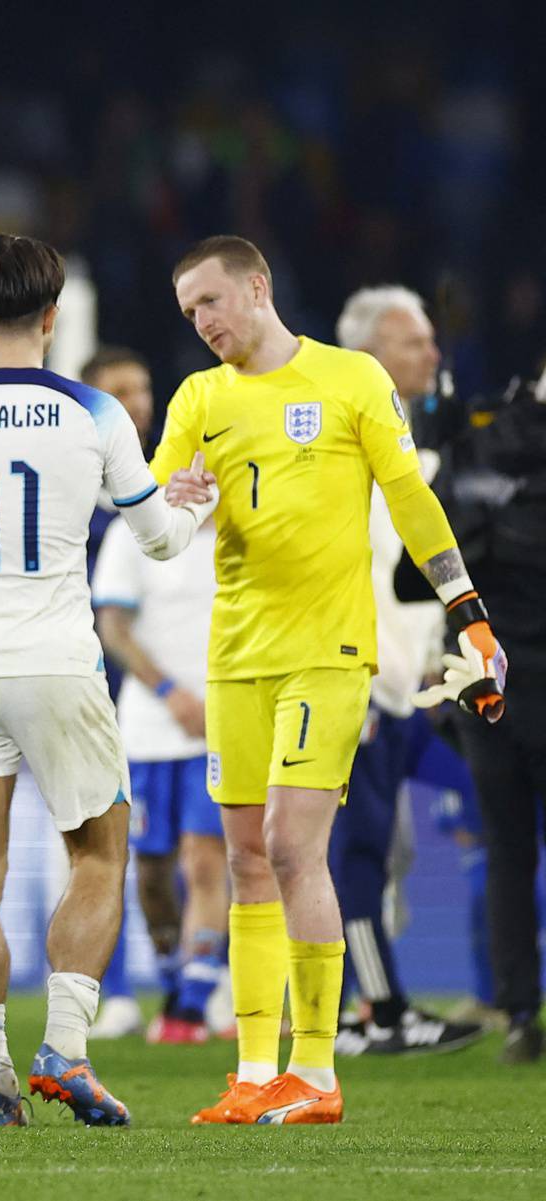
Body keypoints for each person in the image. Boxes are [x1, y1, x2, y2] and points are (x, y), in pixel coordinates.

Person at [155, 236, 506, 1123]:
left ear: (258, 285)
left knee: (287, 845)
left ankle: (315, 1070)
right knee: (244, 858)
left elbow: (410, 496)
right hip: (235, 652)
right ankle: (253, 1069)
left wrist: (465, 605)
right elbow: (151, 516)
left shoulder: (351, 380)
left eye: (210, 301)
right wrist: (171, 505)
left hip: (330, 650)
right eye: (188, 310)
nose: (201, 322)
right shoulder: (199, 397)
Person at [0, 234, 212, 1128]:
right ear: (54, 317)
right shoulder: (95, 412)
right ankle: (65, 1045)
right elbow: (160, 541)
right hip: (59, 662)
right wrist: (187, 497)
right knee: (99, 854)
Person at [329, 286, 481, 1056]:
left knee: (407, 840)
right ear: (370, 358)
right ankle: (378, 1012)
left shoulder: (415, 452)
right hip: (361, 687)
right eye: (413, 341)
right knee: (354, 848)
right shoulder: (339, 456)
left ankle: (480, 992)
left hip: (417, 688)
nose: (433, 353)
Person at [87, 347, 229, 1045]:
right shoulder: (135, 528)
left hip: (223, 724)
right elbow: (111, 621)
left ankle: (191, 1001)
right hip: (147, 723)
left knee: (210, 858)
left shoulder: (238, 527)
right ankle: (174, 974)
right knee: (150, 871)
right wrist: (170, 690)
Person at [423, 352, 546, 1066]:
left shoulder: (473, 454)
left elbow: (420, 579)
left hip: (486, 680)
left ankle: (521, 1012)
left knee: (506, 851)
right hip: (514, 673)